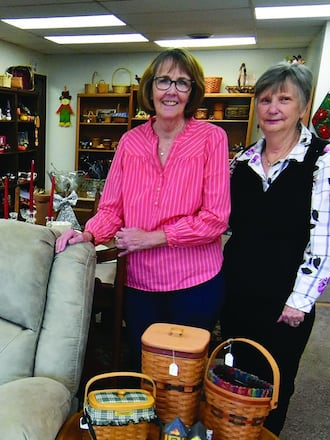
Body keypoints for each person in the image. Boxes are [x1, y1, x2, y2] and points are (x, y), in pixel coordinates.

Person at [55, 48, 231, 364]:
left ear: (192, 91)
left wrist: (153, 238)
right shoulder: (130, 142)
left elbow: (215, 219)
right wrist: (88, 235)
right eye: (164, 81)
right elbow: (111, 209)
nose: (172, 91)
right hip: (140, 283)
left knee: (184, 372)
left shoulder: (212, 139)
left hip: (195, 284)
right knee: (145, 364)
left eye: (182, 83)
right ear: (150, 88)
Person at [220, 62, 330, 435]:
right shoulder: (241, 162)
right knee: (235, 373)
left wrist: (300, 301)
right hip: (237, 288)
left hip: (285, 296)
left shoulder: (323, 158)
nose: (273, 108)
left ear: (303, 107)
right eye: (265, 100)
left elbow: (326, 237)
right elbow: (222, 222)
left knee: (275, 380)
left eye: (284, 99)